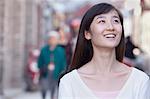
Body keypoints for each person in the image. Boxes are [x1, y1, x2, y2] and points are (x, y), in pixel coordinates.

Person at [58, 3, 150, 99]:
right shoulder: (69, 82)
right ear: (87, 34)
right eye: (102, 21)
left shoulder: (140, 80)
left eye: (115, 21)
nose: (111, 27)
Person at [38, 30, 67, 99]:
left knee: (53, 88)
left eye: (54, 39)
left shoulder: (61, 50)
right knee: (44, 88)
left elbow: (63, 62)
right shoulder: (43, 50)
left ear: (57, 40)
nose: (52, 40)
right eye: (50, 39)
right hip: (45, 72)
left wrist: (62, 71)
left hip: (56, 72)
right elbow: (40, 61)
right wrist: (41, 68)